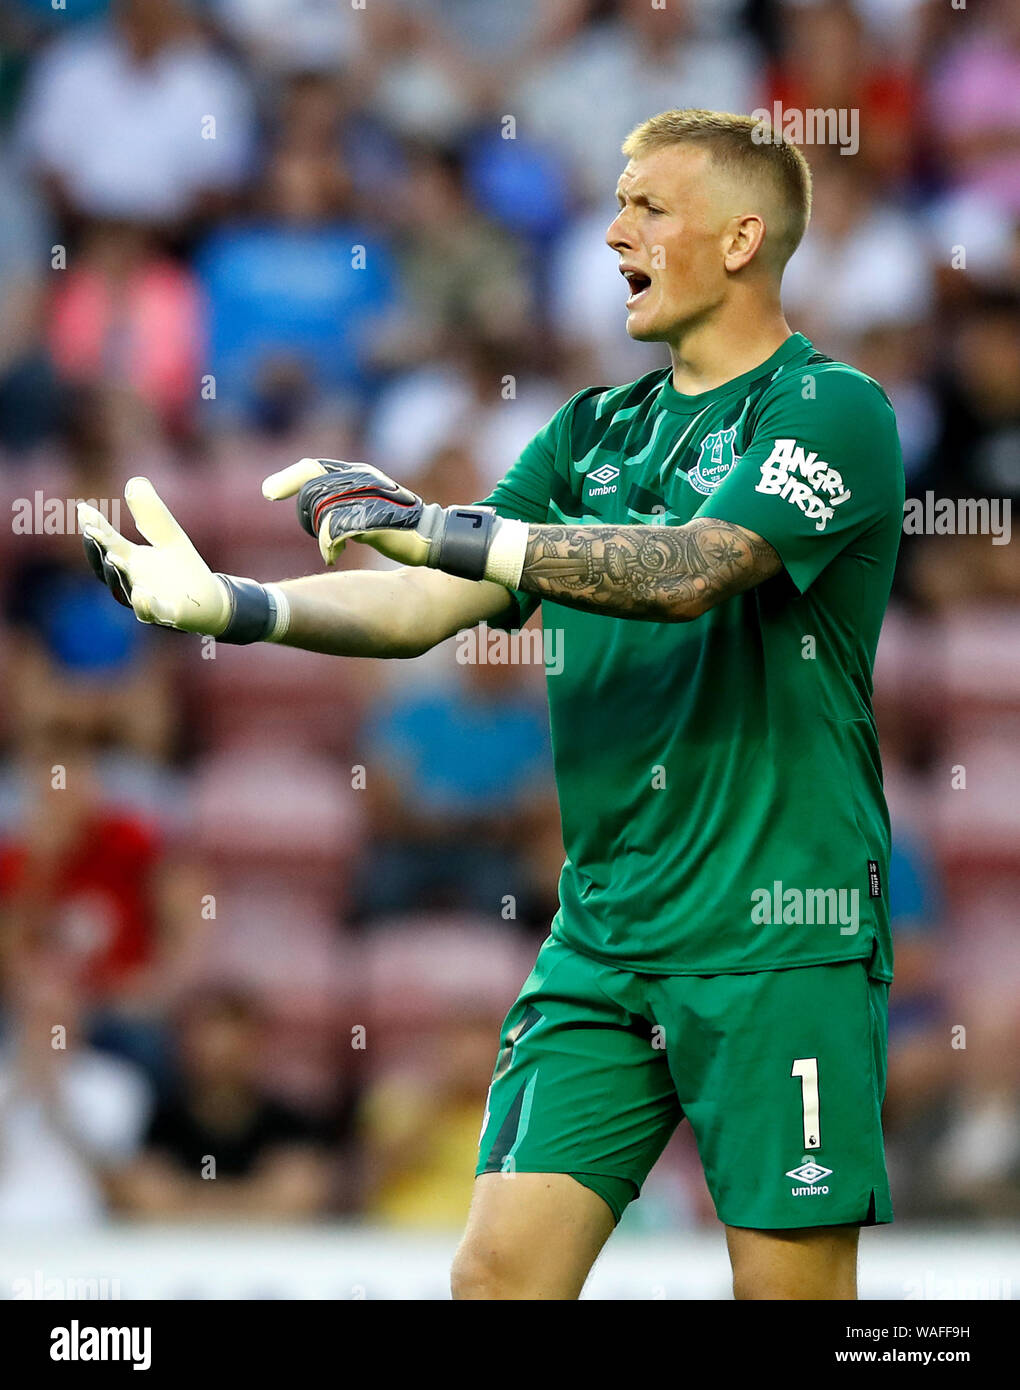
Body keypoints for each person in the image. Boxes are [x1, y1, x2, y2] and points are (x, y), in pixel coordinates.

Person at [78, 108, 905, 1299]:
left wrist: (449, 526)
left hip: (781, 930)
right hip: (606, 933)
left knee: (791, 1298)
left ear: (741, 237)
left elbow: (691, 571)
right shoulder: (590, 433)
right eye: (615, 202)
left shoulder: (834, 412)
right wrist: (238, 606)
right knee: (499, 1277)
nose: (612, 230)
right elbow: (426, 602)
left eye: (646, 207)